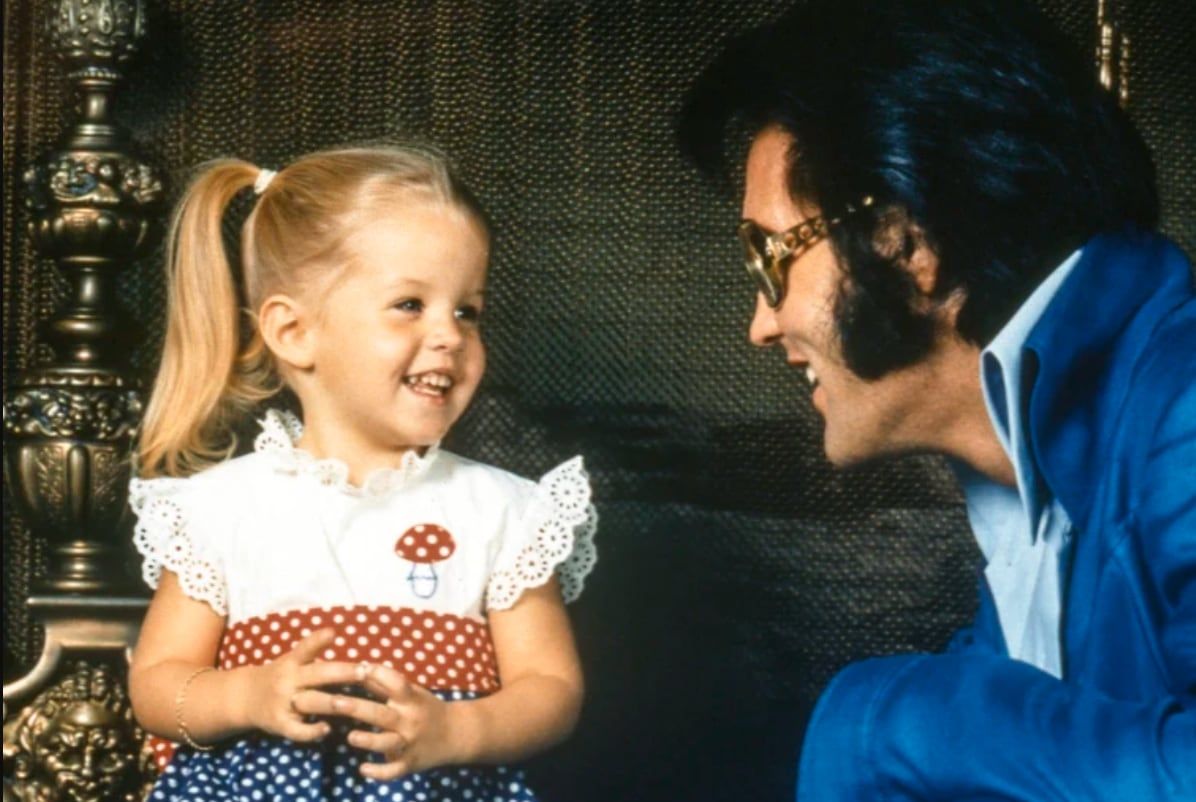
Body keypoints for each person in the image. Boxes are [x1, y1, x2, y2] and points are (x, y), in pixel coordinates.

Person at [679, 0, 1194, 799]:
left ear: (903, 244)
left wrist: (888, 718)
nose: (761, 324)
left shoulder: (1185, 411)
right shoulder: (1025, 477)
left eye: (770, 259)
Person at [126, 144, 598, 802]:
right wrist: (246, 693)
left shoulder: (502, 510)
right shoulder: (222, 509)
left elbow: (551, 690)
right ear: (294, 332)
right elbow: (156, 684)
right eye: (410, 304)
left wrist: (458, 730)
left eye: (468, 310)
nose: (451, 335)